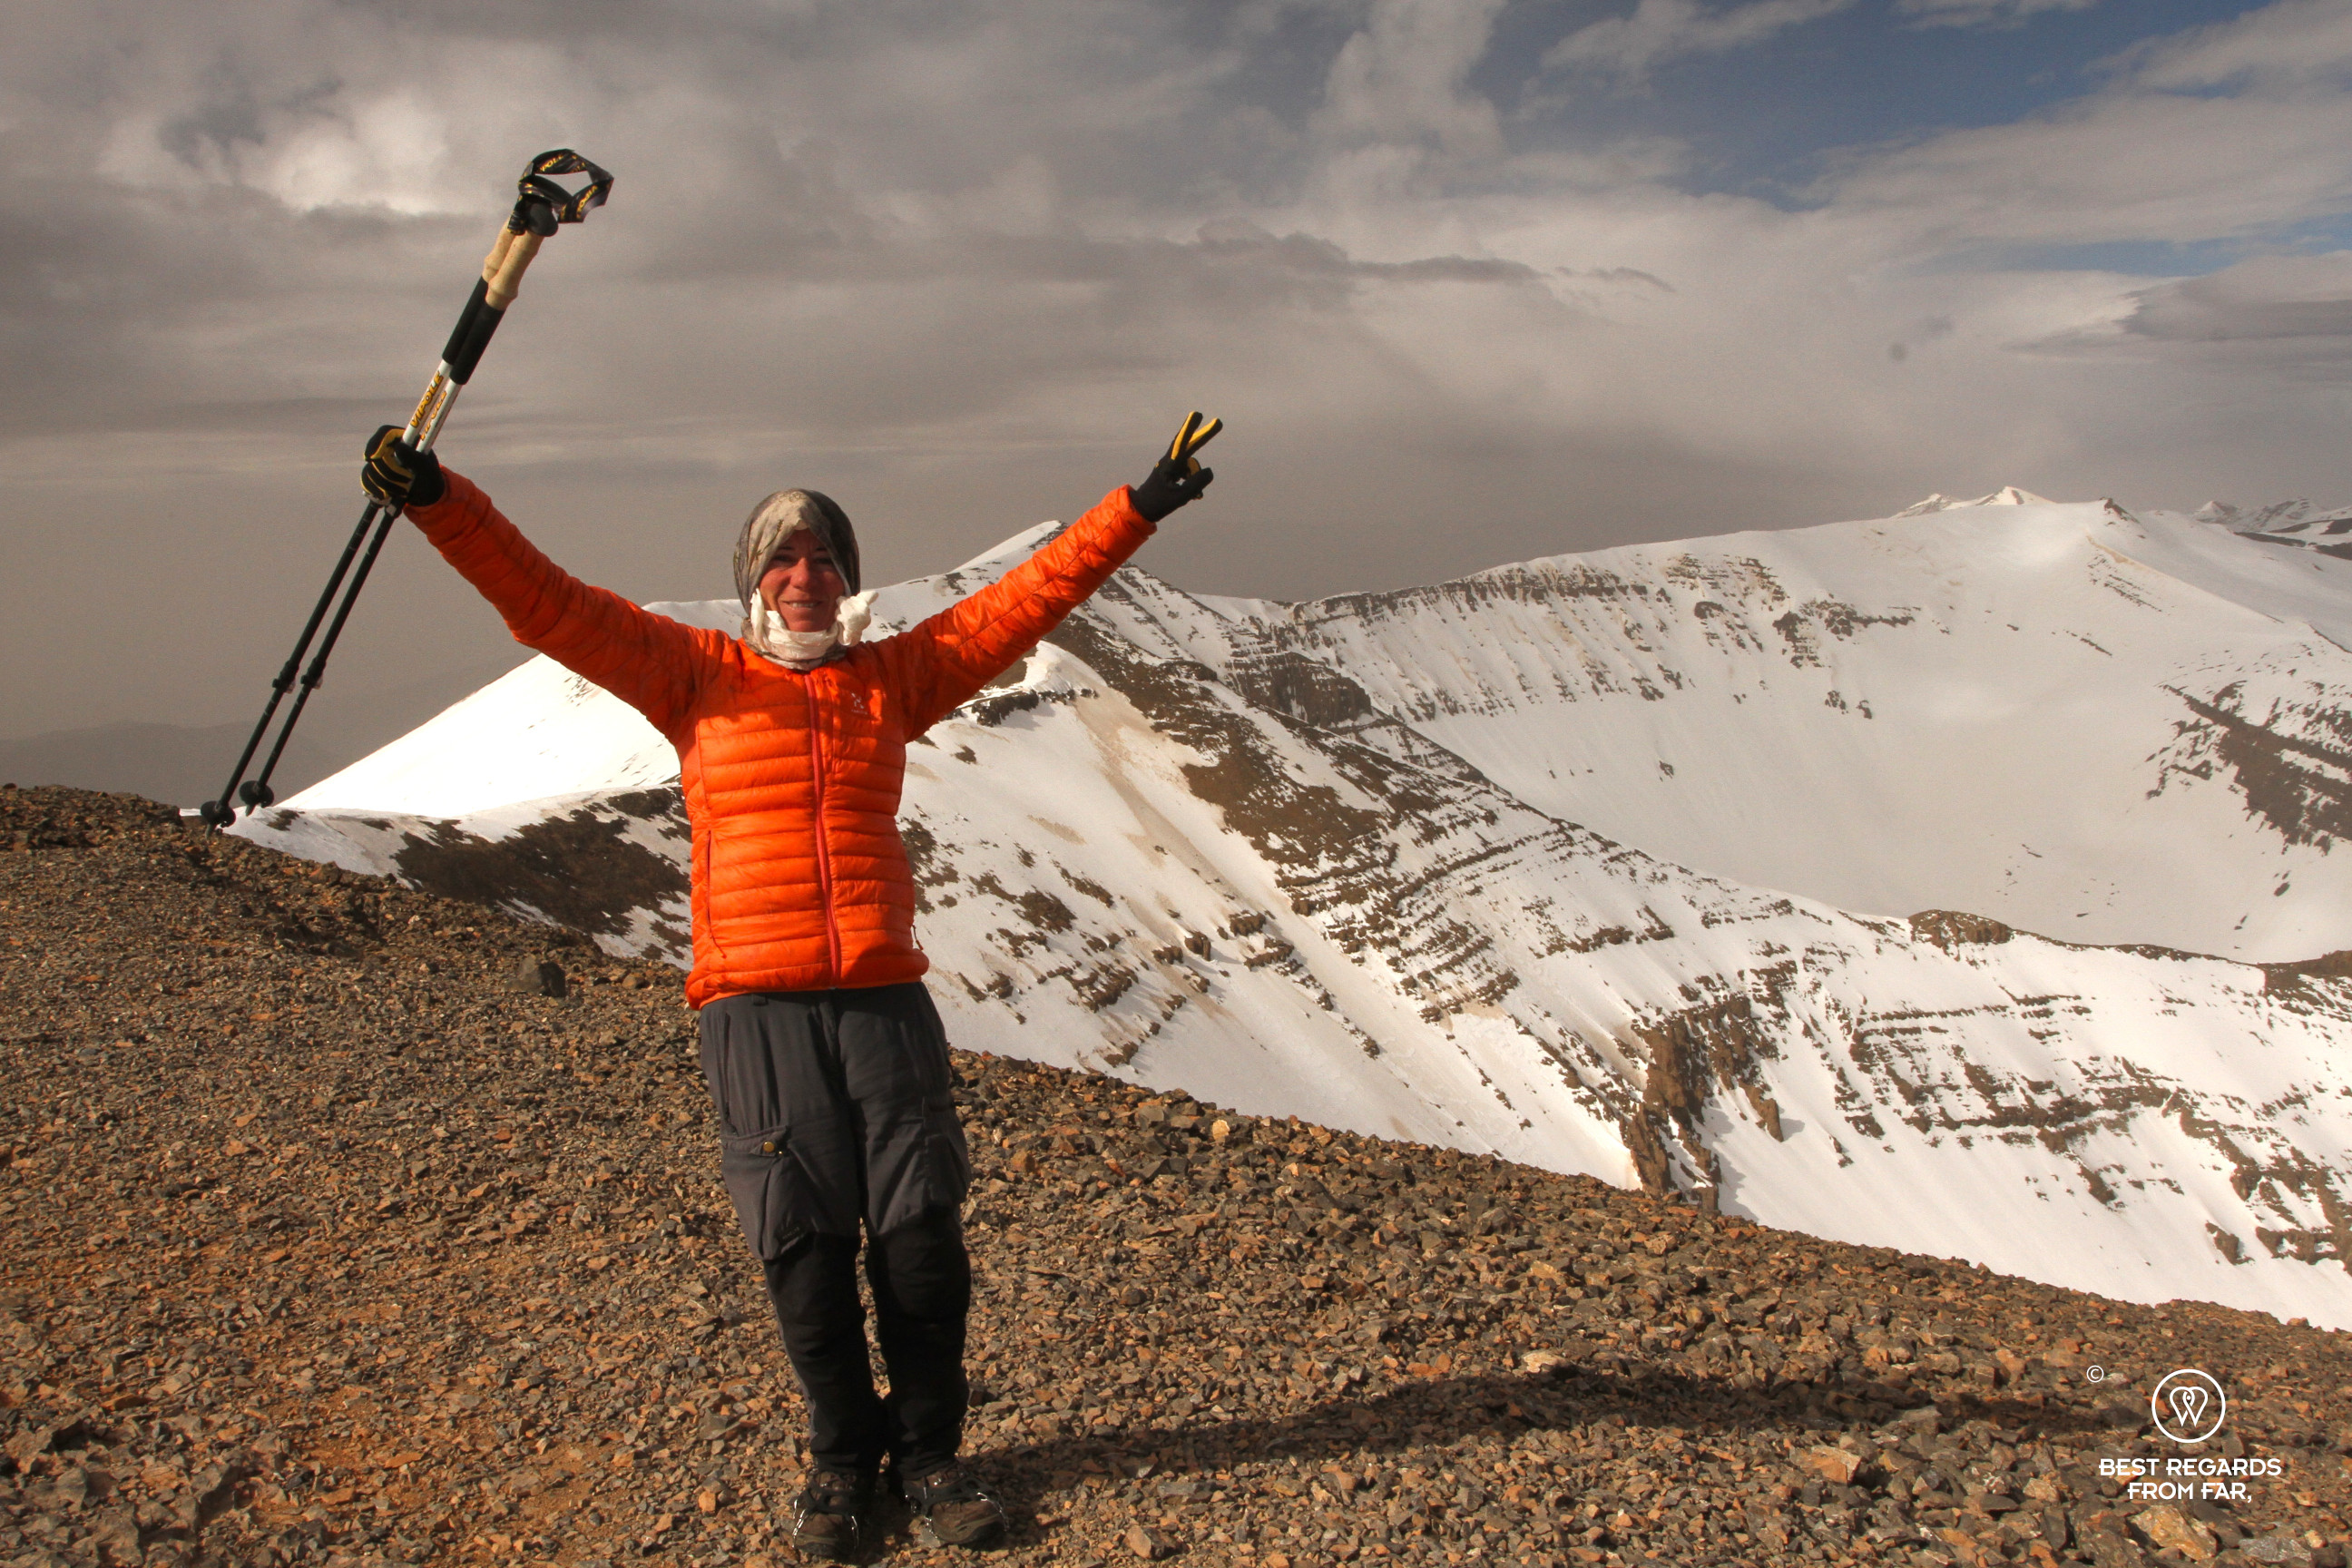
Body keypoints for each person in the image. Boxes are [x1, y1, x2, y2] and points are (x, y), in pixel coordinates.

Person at [360, 412, 1223, 1560]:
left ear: (847, 582)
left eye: (825, 558)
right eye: (783, 555)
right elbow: (546, 601)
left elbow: (1025, 603)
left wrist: (1138, 507)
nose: (805, 574)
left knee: (920, 1238)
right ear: (752, 582)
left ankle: (927, 1458)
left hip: (881, 999)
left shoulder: (892, 680)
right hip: (752, 1007)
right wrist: (436, 499)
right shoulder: (691, 676)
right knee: (802, 1247)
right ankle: (838, 1461)